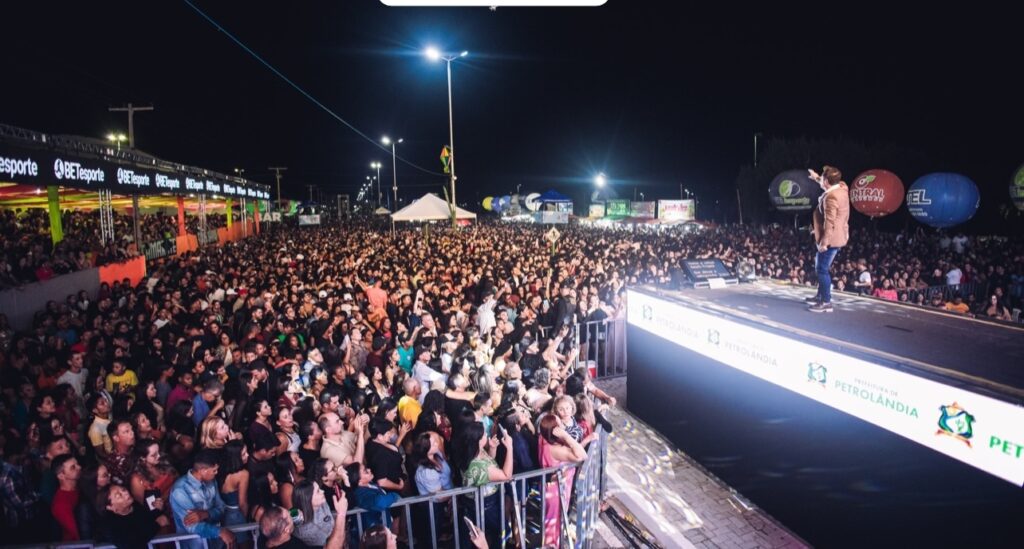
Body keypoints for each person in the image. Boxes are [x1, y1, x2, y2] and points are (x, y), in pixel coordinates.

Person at [169, 449, 235, 549]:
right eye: (214, 470)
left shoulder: (212, 482)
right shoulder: (180, 490)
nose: (216, 473)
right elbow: (193, 526)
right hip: (194, 545)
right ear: (203, 470)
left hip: (215, 543)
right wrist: (220, 532)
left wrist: (206, 514)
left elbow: (221, 508)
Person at [537, 413, 587, 547]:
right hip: (556, 491)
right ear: (555, 431)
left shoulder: (542, 439)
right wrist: (565, 436)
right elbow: (583, 455)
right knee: (553, 521)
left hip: (550, 486)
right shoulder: (557, 450)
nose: (563, 426)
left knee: (552, 519)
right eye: (560, 425)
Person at [807, 165, 850, 312]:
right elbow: (829, 184)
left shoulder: (831, 197)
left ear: (826, 181)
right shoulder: (843, 188)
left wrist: (824, 242)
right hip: (839, 235)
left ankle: (826, 302)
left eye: (823, 179)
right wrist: (817, 177)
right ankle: (821, 296)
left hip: (831, 239)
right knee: (820, 267)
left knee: (822, 269)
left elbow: (829, 222)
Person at [98, 484, 164, 549]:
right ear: (110, 507)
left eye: (123, 490)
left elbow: (147, 521)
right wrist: (157, 524)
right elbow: (131, 543)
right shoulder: (108, 524)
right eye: (119, 495)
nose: (126, 493)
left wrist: (157, 509)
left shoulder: (135, 506)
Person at [50, 454, 82, 541]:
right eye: (73, 467)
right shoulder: (61, 504)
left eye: (77, 464)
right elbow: (76, 535)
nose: (79, 467)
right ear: (61, 476)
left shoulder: (79, 486)